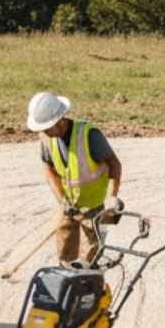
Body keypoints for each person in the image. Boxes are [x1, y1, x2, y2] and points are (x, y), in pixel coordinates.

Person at [26, 91, 123, 265]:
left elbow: (114, 164)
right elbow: (48, 168)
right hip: (69, 204)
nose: (44, 133)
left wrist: (112, 197)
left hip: (96, 206)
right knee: (64, 247)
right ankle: (66, 277)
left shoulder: (90, 136)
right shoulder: (47, 138)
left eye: (47, 128)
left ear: (59, 120)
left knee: (91, 256)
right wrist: (62, 200)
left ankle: (89, 283)